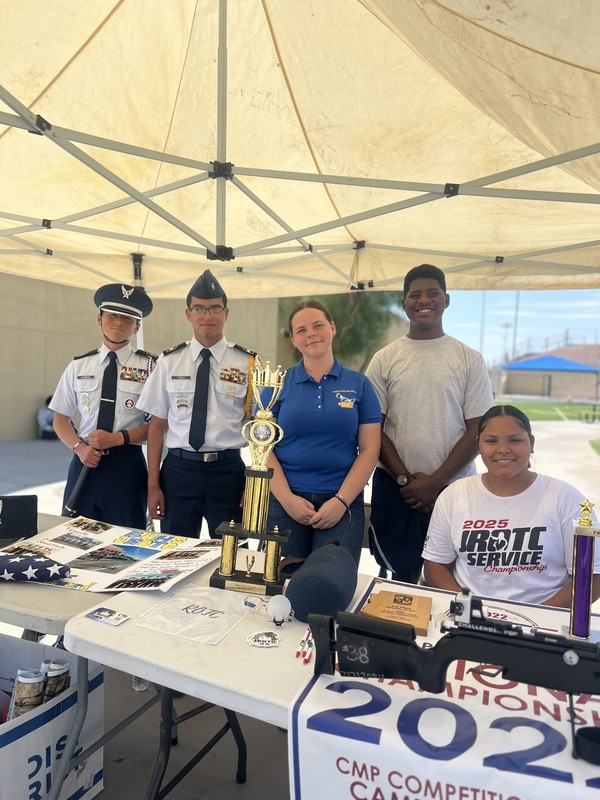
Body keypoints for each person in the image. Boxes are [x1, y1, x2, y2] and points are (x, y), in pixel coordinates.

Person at [365, 264, 494, 583]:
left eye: (432, 293)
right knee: (401, 575)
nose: (424, 300)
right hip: (396, 488)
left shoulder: (468, 358)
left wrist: (435, 482)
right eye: (415, 294)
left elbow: (477, 429)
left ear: (446, 300)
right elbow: (372, 428)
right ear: (404, 302)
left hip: (454, 487)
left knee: (451, 578)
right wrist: (405, 480)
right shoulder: (384, 359)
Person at [422, 405, 600, 607]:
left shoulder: (567, 499)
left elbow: (592, 577)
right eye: (491, 441)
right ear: (478, 446)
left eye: (515, 440)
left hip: (541, 625)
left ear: (531, 443)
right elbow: (435, 564)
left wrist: (534, 618)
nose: (503, 449)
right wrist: (467, 609)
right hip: (471, 620)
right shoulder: (454, 496)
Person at [138, 269, 260, 538]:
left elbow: (259, 430)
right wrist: (153, 485)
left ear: (226, 313)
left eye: (215, 308)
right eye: (199, 309)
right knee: (173, 557)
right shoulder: (169, 361)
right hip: (179, 473)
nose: (208, 316)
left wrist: (254, 482)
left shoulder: (248, 364)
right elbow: (157, 427)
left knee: (233, 558)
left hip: (228, 473)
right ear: (188, 313)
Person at [265, 300, 381, 566]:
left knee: (331, 584)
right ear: (294, 339)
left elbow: (370, 449)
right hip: (285, 501)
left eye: (318, 325)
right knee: (283, 583)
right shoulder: (276, 385)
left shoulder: (359, 384)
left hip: (341, 502)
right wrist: (287, 499)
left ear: (332, 328)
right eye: (302, 330)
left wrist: (340, 502)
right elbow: (263, 450)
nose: (311, 334)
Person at [50, 283, 155, 528]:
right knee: (74, 538)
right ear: (99, 319)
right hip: (85, 461)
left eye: (127, 318)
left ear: (137, 326)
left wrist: (118, 439)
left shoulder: (151, 368)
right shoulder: (79, 366)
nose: (118, 322)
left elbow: (160, 426)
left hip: (126, 465)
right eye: (112, 315)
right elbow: (60, 418)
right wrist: (78, 448)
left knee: (128, 541)